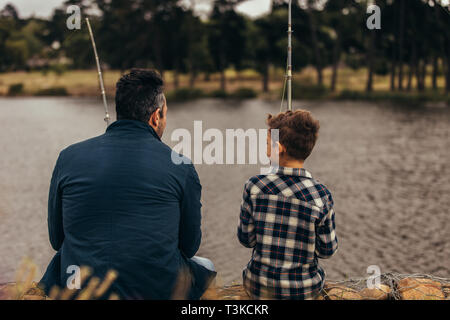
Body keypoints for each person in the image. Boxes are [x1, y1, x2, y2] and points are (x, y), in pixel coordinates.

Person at [39, 69, 216, 300]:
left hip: (81, 289)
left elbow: (56, 239)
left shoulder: (68, 157)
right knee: (206, 264)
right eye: (165, 115)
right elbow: (190, 246)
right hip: (158, 291)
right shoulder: (181, 166)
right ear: (156, 116)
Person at [237, 110, 338, 300]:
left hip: (258, 286)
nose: (265, 148)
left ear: (279, 148)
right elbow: (327, 250)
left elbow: (246, 240)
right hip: (304, 290)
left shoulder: (254, 186)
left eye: (268, 144)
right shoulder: (321, 195)